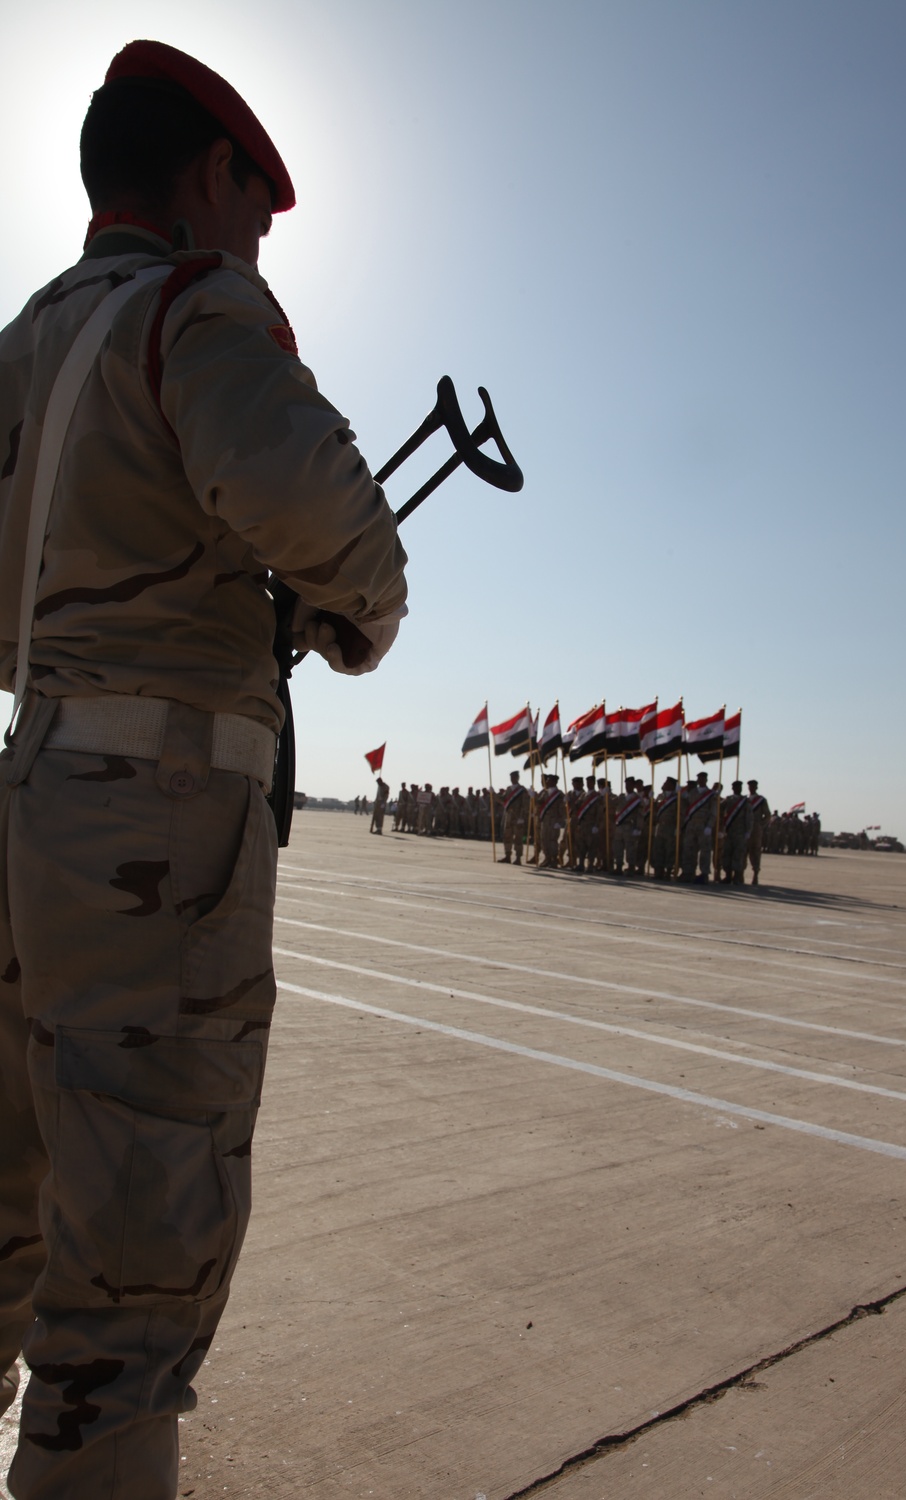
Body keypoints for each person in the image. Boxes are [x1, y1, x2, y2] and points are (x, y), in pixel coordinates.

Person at [0, 41, 407, 1500]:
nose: (262, 234)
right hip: (151, 840)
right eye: (259, 199)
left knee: (5, 1216)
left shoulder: (32, 338)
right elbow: (334, 526)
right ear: (208, 175)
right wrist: (349, 605)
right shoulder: (198, 305)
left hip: (29, 794)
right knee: (127, 1289)